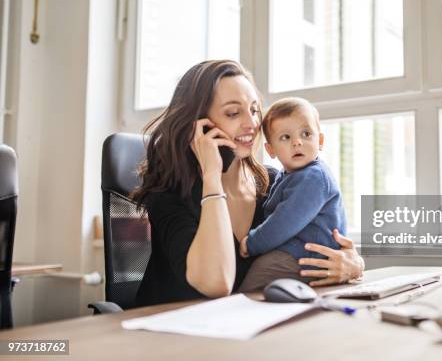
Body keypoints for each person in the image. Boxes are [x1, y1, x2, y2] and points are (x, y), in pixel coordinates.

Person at [132, 60, 364, 307]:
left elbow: (321, 241)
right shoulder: (168, 192)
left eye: (254, 110)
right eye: (233, 113)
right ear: (199, 125)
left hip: (245, 330)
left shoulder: (272, 183)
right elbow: (216, 284)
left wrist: (353, 264)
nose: (252, 124)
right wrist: (212, 176)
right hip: (168, 333)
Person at [238, 97, 347, 292]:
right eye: (285, 137)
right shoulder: (287, 175)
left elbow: (284, 221)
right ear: (271, 150)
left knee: (250, 288)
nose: (297, 142)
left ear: (320, 140)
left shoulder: (314, 178)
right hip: (299, 255)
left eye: (306, 134)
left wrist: (252, 243)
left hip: (306, 258)